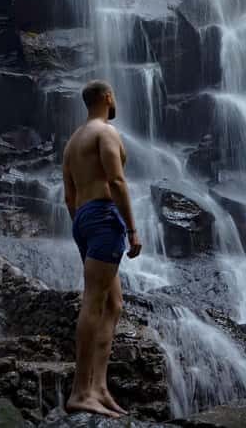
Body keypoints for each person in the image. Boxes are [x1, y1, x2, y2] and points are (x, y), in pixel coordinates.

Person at [62, 80, 142, 418]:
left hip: (83, 218)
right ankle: (81, 392)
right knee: (94, 301)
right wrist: (132, 229)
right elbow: (117, 181)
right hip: (104, 217)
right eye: (115, 95)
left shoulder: (72, 142)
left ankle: (99, 387)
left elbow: (68, 196)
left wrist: (82, 227)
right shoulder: (106, 133)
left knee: (113, 304)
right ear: (108, 97)